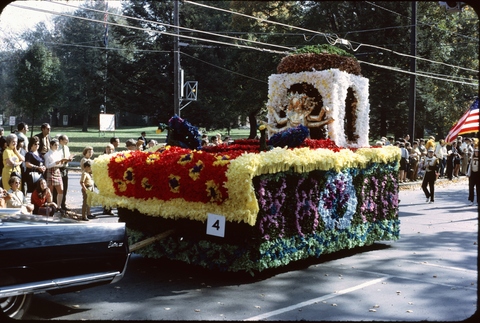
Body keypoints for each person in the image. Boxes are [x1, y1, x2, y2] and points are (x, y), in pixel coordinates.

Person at [44, 138, 67, 215]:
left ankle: (59, 206)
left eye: (57, 145)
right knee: (50, 190)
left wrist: (61, 163)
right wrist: (55, 163)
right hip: (50, 171)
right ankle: (51, 206)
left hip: (57, 171)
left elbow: (60, 164)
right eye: (55, 145)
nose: (57, 146)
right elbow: (47, 166)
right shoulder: (47, 154)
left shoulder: (58, 153)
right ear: (51, 145)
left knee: (61, 189)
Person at [56, 134, 75, 211]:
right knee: (58, 187)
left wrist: (70, 158)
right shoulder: (57, 148)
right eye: (66, 140)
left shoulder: (66, 148)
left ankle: (63, 204)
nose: (67, 141)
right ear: (61, 140)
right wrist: (64, 159)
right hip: (59, 168)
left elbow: (67, 156)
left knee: (65, 187)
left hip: (65, 168)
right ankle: (57, 205)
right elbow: (58, 158)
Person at [103, 143, 115, 216]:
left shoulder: (114, 157)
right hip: (104, 178)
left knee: (111, 194)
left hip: (112, 178)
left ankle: (110, 209)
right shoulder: (102, 157)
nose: (109, 150)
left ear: (113, 150)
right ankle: (105, 208)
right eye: (107, 149)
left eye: (110, 149)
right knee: (105, 194)